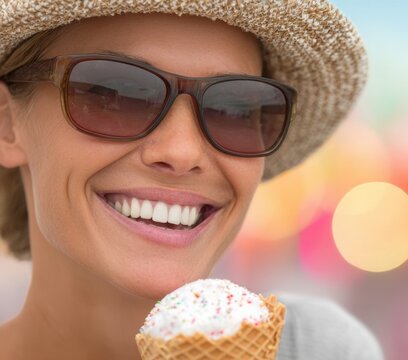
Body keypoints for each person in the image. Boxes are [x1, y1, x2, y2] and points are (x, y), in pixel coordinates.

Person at [0, 1, 381, 359]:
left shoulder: (319, 348)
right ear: (7, 124)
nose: (182, 153)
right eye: (116, 93)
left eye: (236, 109)